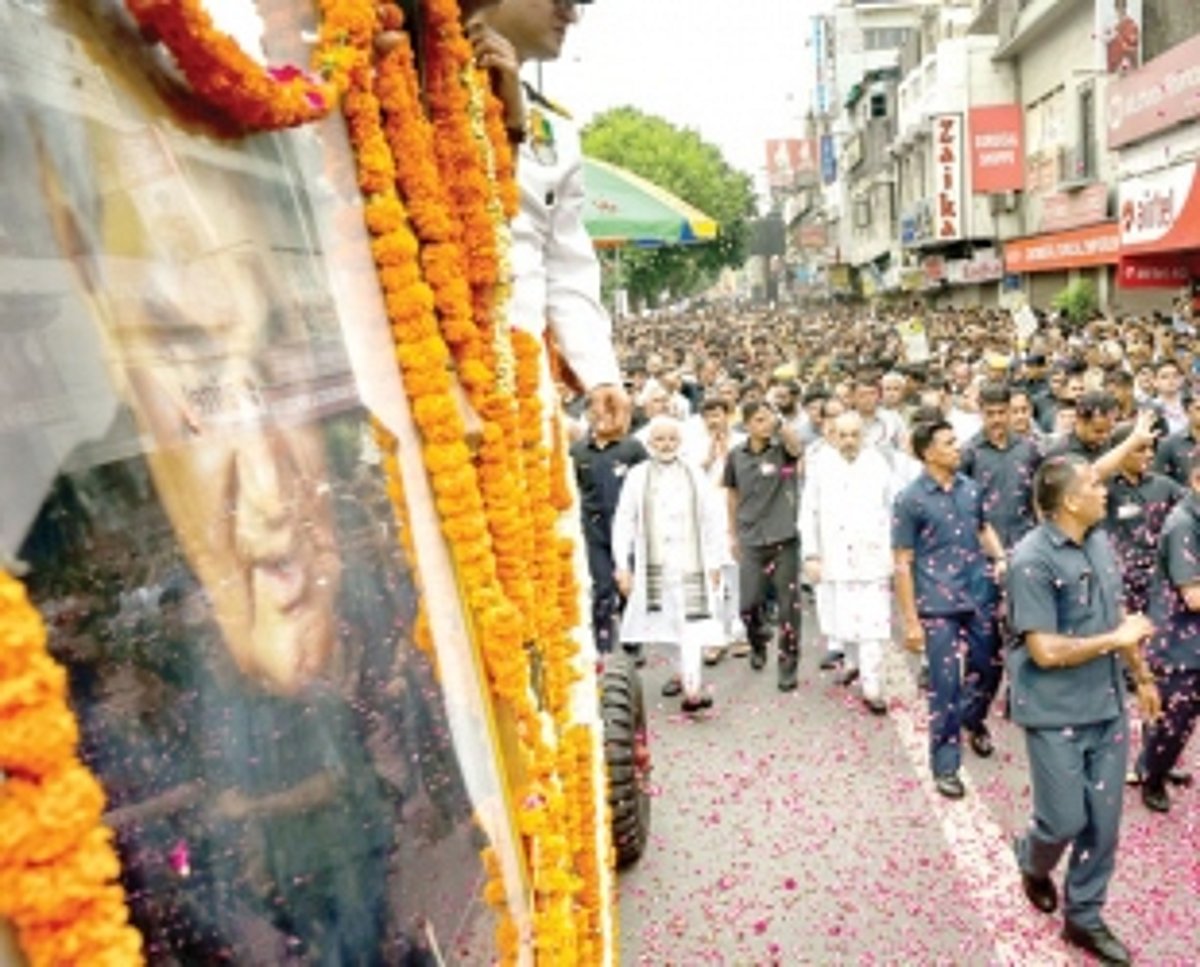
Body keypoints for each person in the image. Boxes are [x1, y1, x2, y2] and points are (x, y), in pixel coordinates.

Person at [1007, 454, 1161, 965]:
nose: (1105, 489)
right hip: (1055, 711)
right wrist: (1117, 638)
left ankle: (1084, 917)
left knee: (1104, 823)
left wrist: (1140, 675)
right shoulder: (1032, 559)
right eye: (1095, 484)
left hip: (1106, 705)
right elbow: (1045, 651)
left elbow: (1116, 617)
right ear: (1071, 501)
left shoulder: (1096, 540)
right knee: (1062, 820)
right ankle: (1033, 857)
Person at [477, 0, 629, 441]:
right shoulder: (411, 83)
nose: (572, 15)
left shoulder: (555, 131)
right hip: (431, 372)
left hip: (524, 383)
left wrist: (599, 373)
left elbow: (565, 264)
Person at [893, 419, 1007, 799]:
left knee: (990, 667)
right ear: (927, 452)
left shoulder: (970, 489)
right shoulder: (910, 500)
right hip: (937, 604)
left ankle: (972, 718)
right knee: (945, 686)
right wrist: (911, 621)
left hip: (978, 594)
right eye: (948, 443)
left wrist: (1002, 557)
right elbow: (903, 562)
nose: (957, 448)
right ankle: (945, 765)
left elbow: (982, 529)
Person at [612, 416, 725, 713]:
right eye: (660, 439)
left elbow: (712, 519)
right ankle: (683, 671)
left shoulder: (694, 474)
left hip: (692, 564)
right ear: (649, 443)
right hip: (654, 567)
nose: (666, 445)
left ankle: (692, 688)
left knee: (691, 625)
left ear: (680, 442)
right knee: (661, 627)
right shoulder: (637, 476)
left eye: (672, 439)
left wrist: (715, 562)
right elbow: (624, 520)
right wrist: (622, 565)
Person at [800, 412, 894, 714]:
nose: (850, 441)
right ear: (833, 436)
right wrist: (811, 554)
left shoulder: (878, 464)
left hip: (873, 556)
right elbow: (808, 513)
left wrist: (897, 550)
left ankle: (872, 686)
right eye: (843, 435)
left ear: (863, 435)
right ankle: (854, 663)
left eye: (855, 434)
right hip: (834, 556)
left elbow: (894, 507)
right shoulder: (821, 465)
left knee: (873, 623)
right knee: (842, 619)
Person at [723, 400, 804, 691]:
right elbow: (732, 495)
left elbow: (797, 448)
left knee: (788, 608)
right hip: (751, 538)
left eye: (769, 419)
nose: (766, 424)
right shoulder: (736, 456)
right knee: (748, 605)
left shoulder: (782, 450)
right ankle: (757, 642)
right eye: (759, 420)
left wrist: (780, 424)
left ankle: (788, 664)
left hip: (784, 536)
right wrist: (732, 534)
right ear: (746, 424)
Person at [1138, 449, 1200, 813]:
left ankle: (1155, 762)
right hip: (1180, 641)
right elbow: (1192, 595)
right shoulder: (1183, 525)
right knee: (1173, 720)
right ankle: (1153, 778)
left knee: (1179, 719)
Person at [571, 394, 648, 656]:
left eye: (609, 413)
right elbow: (574, 489)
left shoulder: (632, 449)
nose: (602, 419)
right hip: (596, 530)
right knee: (602, 587)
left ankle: (632, 639)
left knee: (628, 584)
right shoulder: (579, 450)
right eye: (597, 413)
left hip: (628, 529)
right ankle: (603, 644)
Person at [1103, 422, 1185, 614]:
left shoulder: (1164, 485)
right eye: (1140, 449)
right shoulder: (1103, 489)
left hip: (1160, 582)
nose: (1149, 455)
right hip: (1120, 584)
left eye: (1151, 448)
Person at [960, 383, 1040, 552]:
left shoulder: (1030, 449)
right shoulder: (969, 453)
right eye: (990, 414)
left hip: (1026, 540)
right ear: (981, 413)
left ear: (1009, 411)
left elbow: (1038, 495)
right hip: (984, 545)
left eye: (1001, 412)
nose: (997, 419)